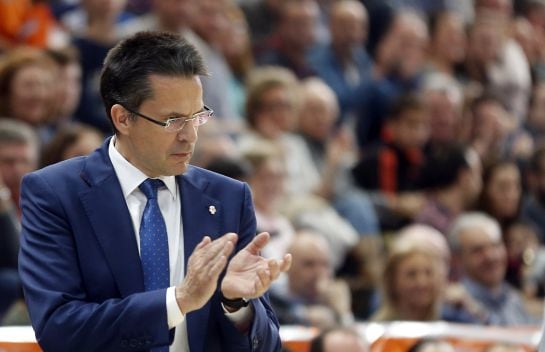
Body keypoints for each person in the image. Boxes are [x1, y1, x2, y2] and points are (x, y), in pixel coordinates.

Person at [18, 31, 292, 352]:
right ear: (122, 118)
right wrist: (177, 301)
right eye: (173, 121)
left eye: (197, 116)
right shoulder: (54, 193)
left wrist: (236, 304)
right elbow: (58, 328)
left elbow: (268, 344)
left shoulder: (229, 198)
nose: (190, 136)